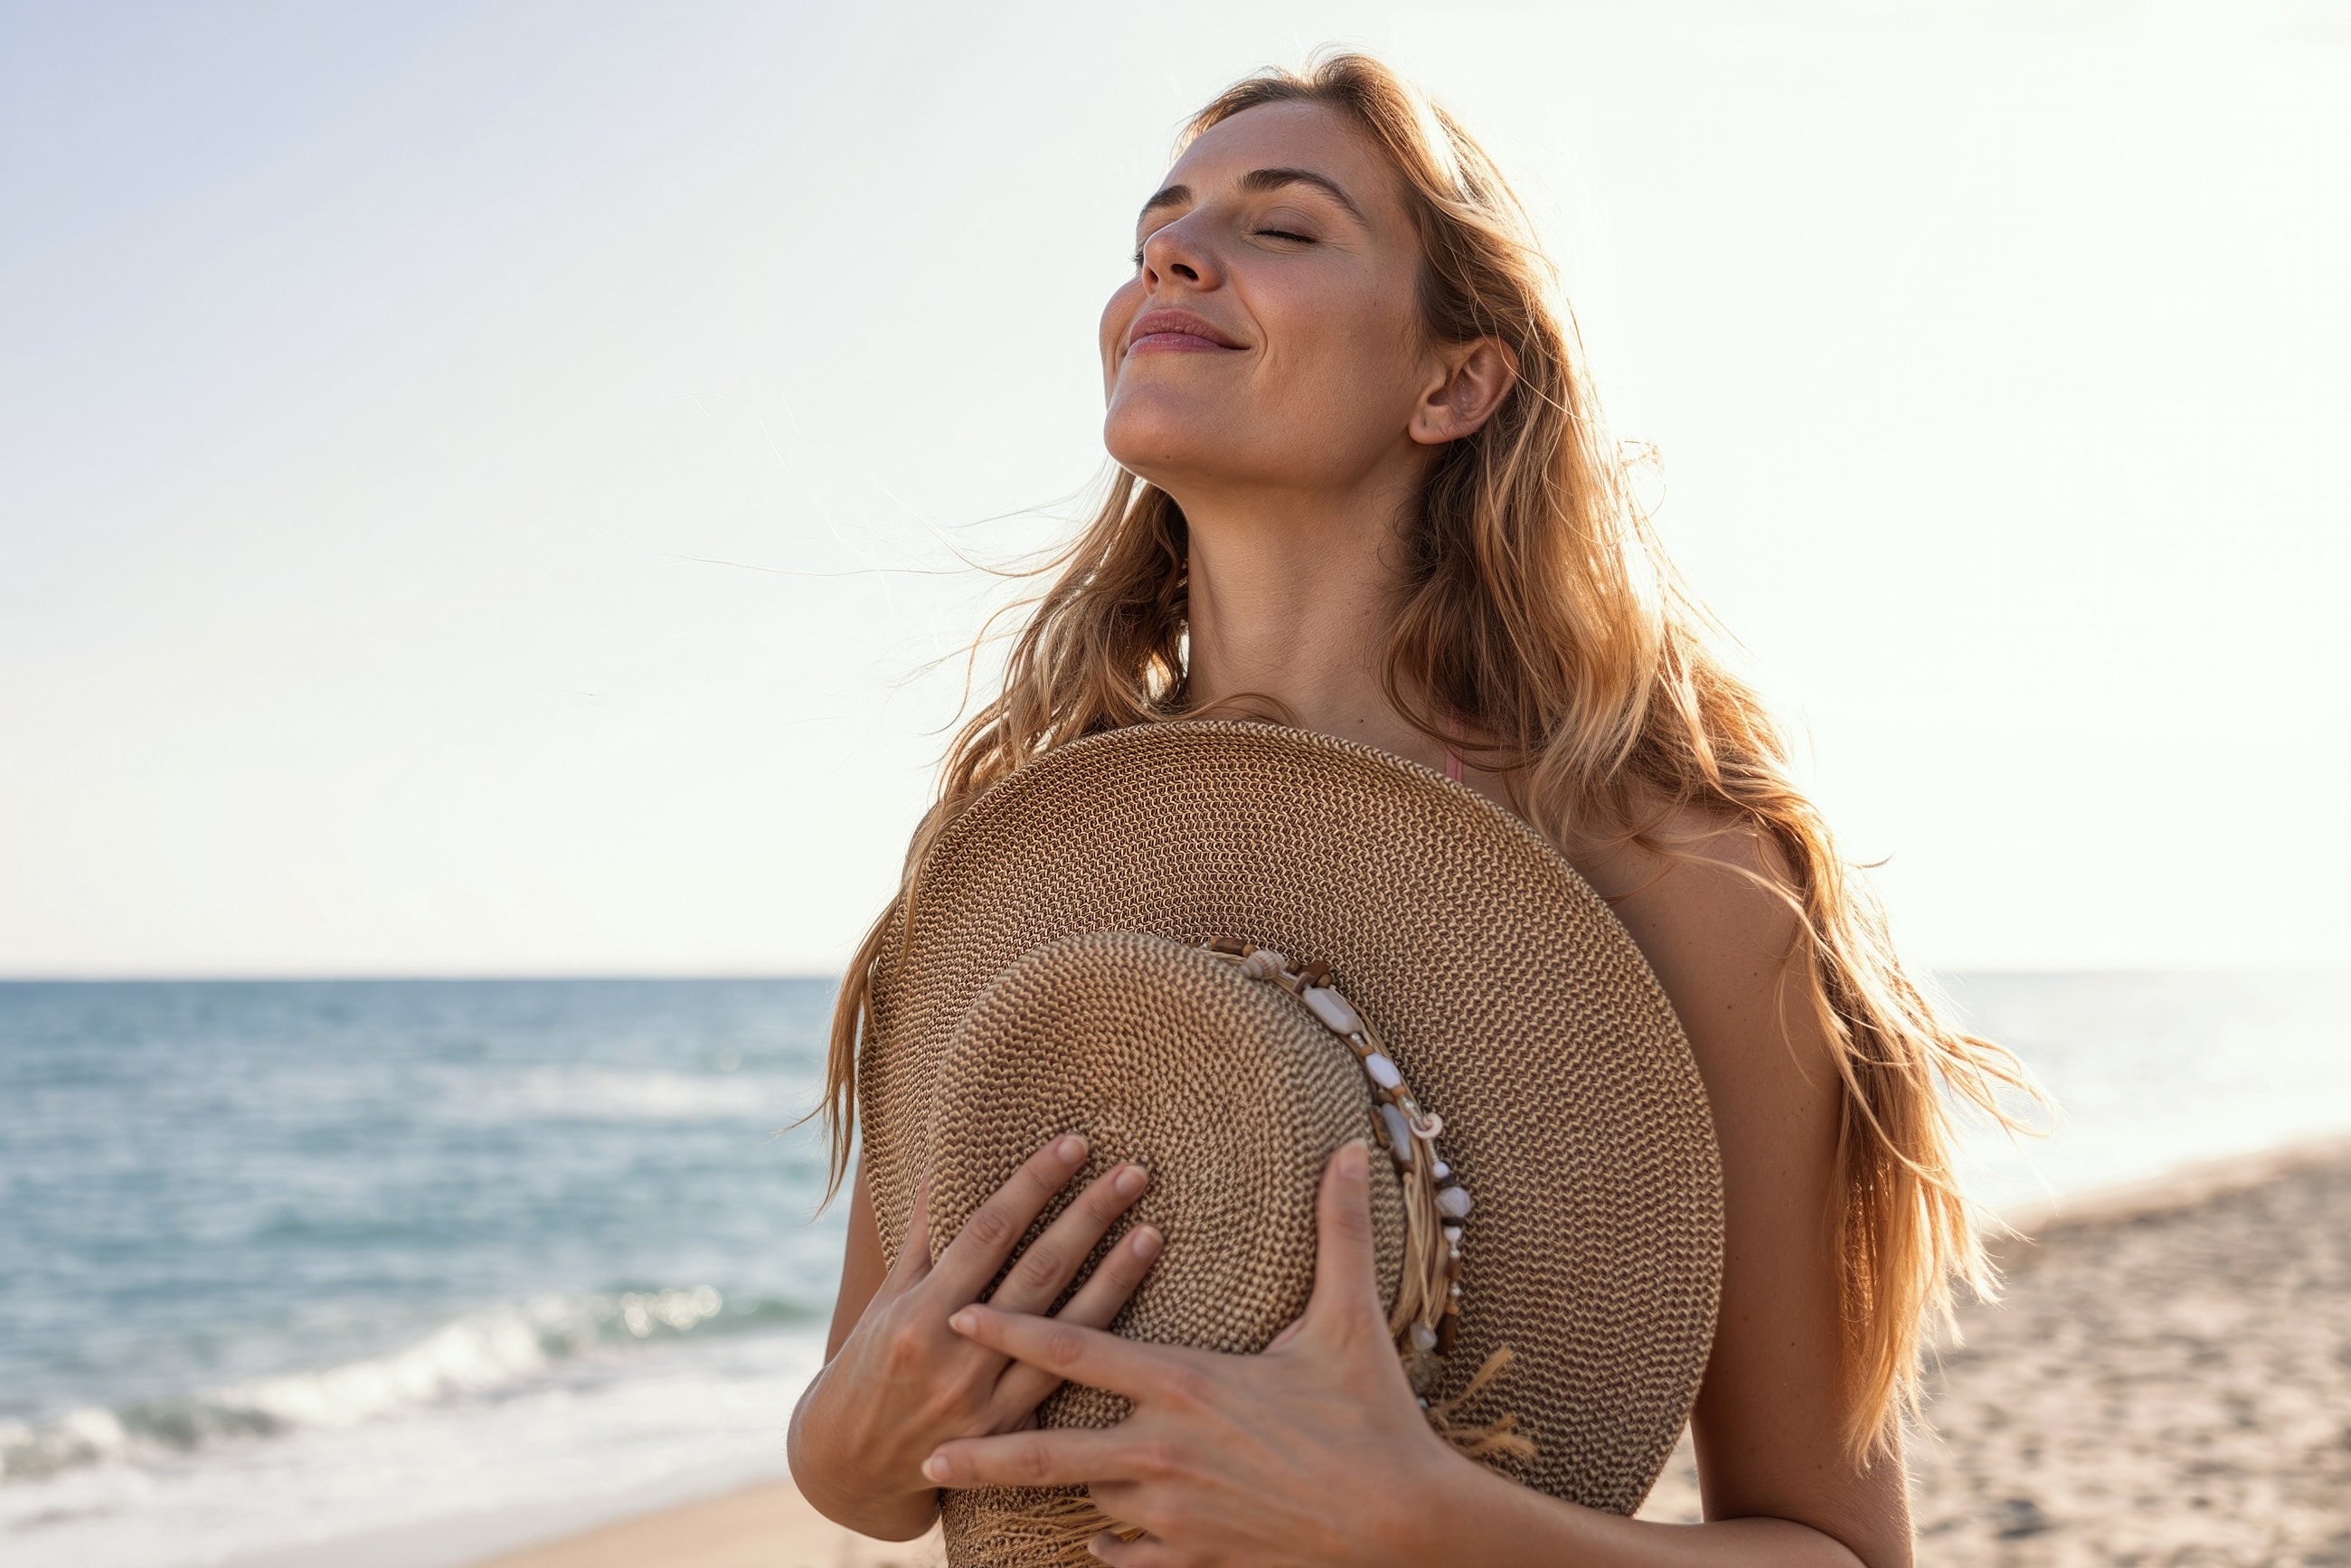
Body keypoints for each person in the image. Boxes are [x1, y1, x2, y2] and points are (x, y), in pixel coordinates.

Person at [788, 52, 2029, 1568]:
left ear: (1455, 378)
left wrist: (1420, 1521)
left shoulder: (1678, 875)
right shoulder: (1023, 861)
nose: (1171, 256)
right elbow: (877, 1458)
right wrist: (842, 1444)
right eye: (1154, 232)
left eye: (1282, 227)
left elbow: (1840, 1549)